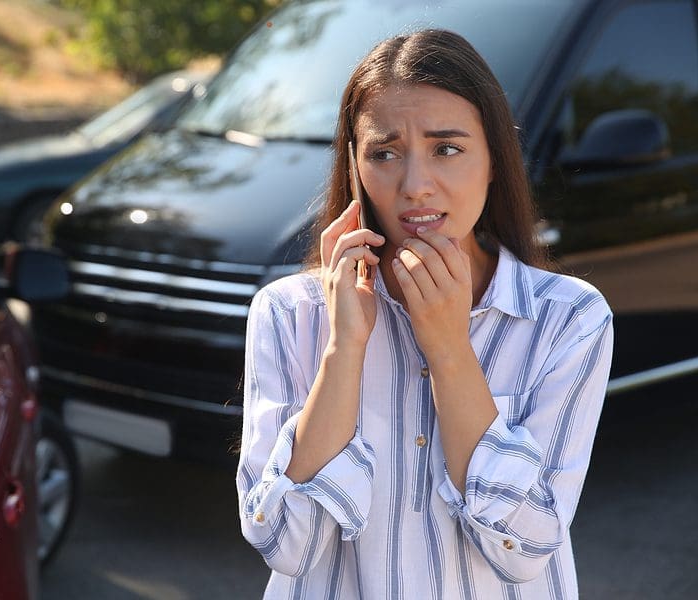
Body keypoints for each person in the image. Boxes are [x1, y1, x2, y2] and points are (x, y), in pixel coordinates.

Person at [236, 29, 613, 599]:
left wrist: (449, 350)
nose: (415, 185)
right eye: (383, 154)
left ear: (493, 161)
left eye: (448, 149)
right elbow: (288, 546)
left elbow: (528, 548)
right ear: (355, 167)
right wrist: (343, 350)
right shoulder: (290, 314)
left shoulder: (568, 319)